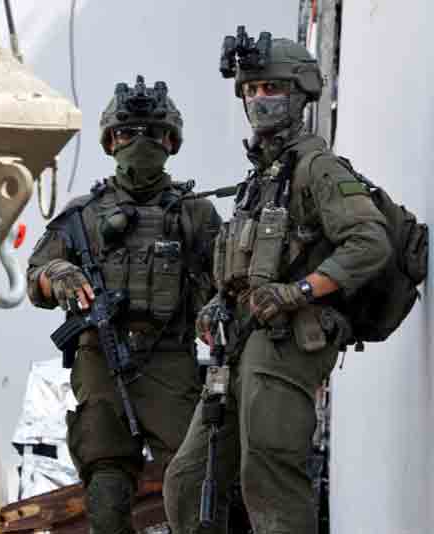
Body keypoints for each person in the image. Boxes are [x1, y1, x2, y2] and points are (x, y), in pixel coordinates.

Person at [163, 34, 392, 533]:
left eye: (271, 87)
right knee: (187, 480)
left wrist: (301, 290)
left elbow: (370, 242)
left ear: (300, 92)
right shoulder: (261, 178)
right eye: (250, 89)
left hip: (287, 341)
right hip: (239, 345)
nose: (257, 100)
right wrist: (216, 304)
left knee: (269, 477)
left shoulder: (317, 168)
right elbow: (243, 264)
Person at [27, 75, 221, 534]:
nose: (139, 143)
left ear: (171, 141)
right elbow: (36, 276)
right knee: (106, 485)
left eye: (152, 133)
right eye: (128, 132)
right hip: (100, 359)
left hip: (168, 360)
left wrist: (217, 309)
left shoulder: (195, 214)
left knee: (195, 479)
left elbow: (227, 281)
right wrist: (59, 275)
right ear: (110, 141)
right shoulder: (81, 216)